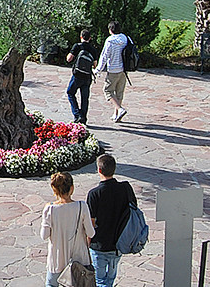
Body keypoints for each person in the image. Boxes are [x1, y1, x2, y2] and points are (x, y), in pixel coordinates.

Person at [87, 154, 138, 287]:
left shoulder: (94, 194)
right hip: (118, 243)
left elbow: (91, 223)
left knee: (100, 281)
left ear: (99, 170)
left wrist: (86, 243)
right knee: (110, 279)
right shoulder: (125, 188)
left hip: (99, 245)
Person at [41, 171, 95, 287]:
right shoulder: (82, 206)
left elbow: (44, 235)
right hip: (79, 260)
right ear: (72, 188)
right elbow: (91, 232)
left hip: (57, 259)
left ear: (54, 190)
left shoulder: (49, 209)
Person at [95, 21, 129, 123]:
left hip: (113, 70)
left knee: (108, 91)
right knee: (119, 92)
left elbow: (104, 56)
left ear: (110, 30)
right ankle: (116, 114)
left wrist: (98, 70)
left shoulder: (110, 41)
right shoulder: (125, 38)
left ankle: (119, 109)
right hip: (123, 70)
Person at [66, 29, 99, 124]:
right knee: (85, 98)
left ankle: (77, 114)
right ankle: (83, 117)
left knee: (70, 92)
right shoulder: (93, 49)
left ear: (81, 37)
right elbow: (95, 65)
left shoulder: (77, 46)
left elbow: (69, 59)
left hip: (77, 75)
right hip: (87, 77)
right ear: (90, 38)